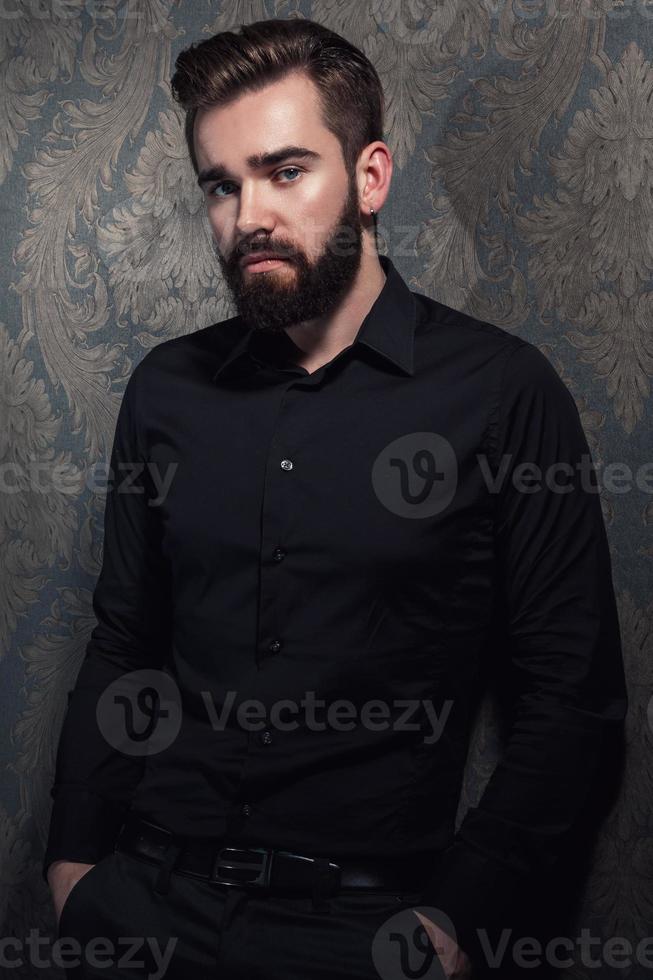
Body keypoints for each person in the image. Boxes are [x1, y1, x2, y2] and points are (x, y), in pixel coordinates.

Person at [44, 17, 628, 980]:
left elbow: (573, 701)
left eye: (284, 172)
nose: (248, 217)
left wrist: (459, 922)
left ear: (368, 177)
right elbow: (123, 642)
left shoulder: (499, 392)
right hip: (143, 910)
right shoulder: (165, 390)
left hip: (366, 932)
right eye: (221, 186)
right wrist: (74, 868)